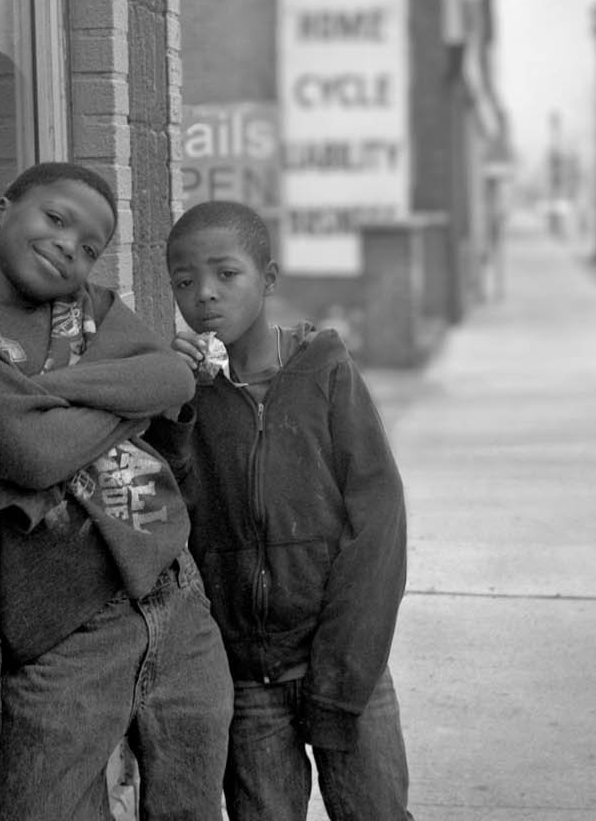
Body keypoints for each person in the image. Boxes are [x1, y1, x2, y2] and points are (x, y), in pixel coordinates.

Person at [0, 162, 232, 820]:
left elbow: (172, 378)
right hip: (69, 625)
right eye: (55, 219)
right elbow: (33, 455)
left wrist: (40, 395)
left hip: (176, 594)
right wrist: (126, 403)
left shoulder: (93, 309)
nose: (68, 247)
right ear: (1, 209)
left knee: (192, 807)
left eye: (90, 247)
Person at [160, 200, 412, 820]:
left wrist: (345, 667)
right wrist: (173, 405)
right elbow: (176, 517)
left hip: (345, 665)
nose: (206, 296)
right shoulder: (188, 394)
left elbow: (378, 519)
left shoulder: (323, 369)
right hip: (249, 681)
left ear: (268, 278)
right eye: (185, 282)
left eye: (227, 274)